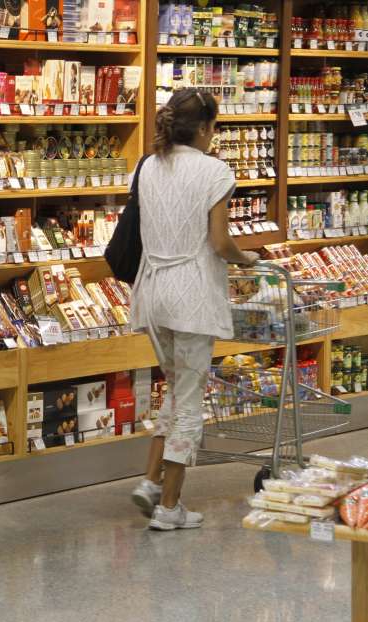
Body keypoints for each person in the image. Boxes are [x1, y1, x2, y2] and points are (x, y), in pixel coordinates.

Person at [128, 88, 259, 531]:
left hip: (153, 292)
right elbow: (220, 242)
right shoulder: (214, 170)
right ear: (204, 127)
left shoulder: (148, 165)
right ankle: (169, 508)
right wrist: (246, 259)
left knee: (175, 389)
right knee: (188, 403)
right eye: (213, 127)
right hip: (192, 297)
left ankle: (150, 483)